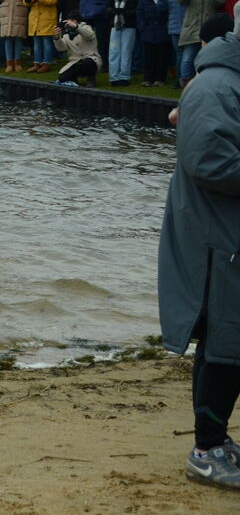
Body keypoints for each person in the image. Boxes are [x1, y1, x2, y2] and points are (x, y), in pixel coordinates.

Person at [157, 25, 240, 491]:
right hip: (219, 240)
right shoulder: (215, 85)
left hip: (228, 235)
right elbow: (209, 161)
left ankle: (218, 442)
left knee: (233, 343)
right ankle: (207, 449)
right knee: (225, 344)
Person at [176, 0, 225, 87]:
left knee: (206, 58)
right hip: (191, 27)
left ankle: (203, 82)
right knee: (187, 58)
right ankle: (185, 82)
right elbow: (180, 0)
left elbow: (220, 2)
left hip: (209, 29)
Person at [137, 0, 172, 86]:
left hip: (163, 30)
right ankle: (148, 78)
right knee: (148, 56)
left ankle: (159, 79)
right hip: (148, 30)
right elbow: (140, 12)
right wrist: (142, 27)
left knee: (161, 56)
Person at [24, 0, 60, 73]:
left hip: (47, 17)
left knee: (47, 41)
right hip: (35, 17)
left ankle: (47, 62)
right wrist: (27, 1)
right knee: (37, 42)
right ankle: (37, 62)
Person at [54, 19, 101, 87]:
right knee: (62, 78)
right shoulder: (66, 34)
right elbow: (61, 49)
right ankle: (73, 79)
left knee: (88, 62)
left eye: (71, 21)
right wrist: (57, 37)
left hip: (91, 58)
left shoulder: (86, 27)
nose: (68, 24)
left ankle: (91, 79)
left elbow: (89, 36)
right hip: (75, 61)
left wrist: (76, 27)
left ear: (76, 21)